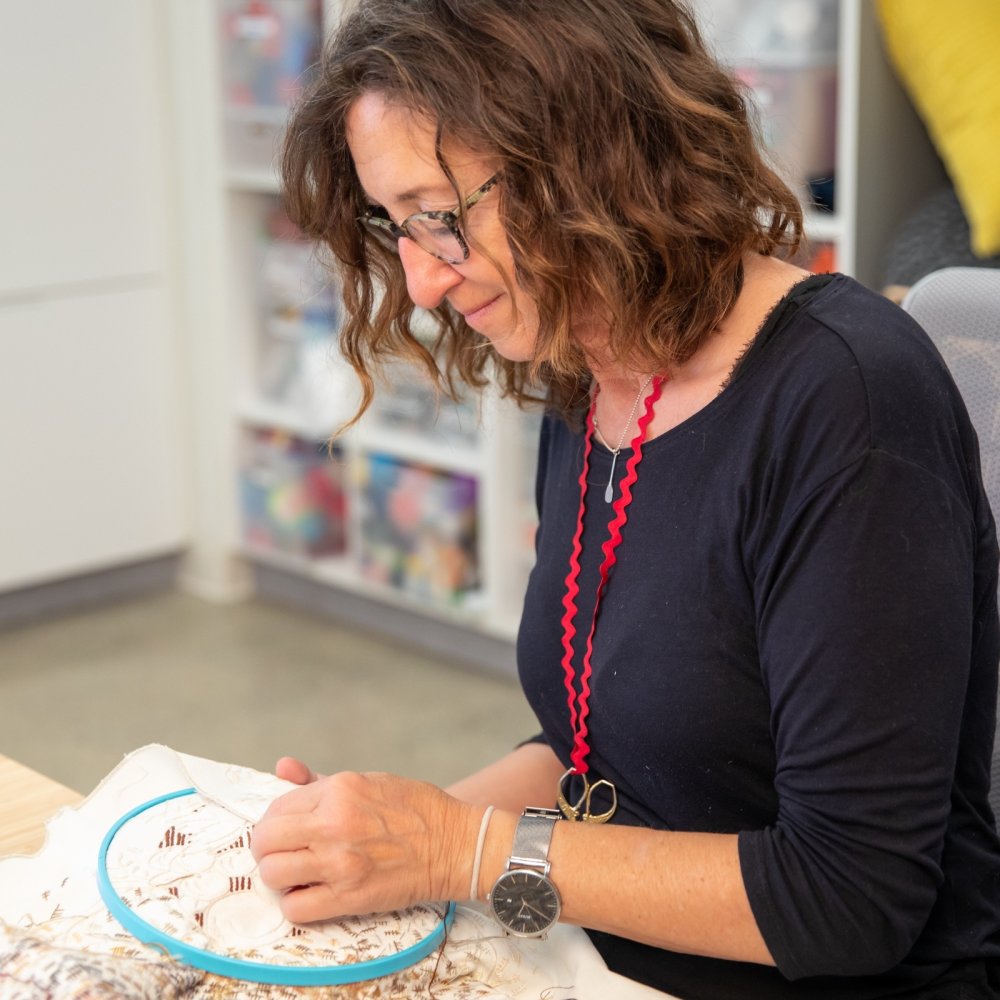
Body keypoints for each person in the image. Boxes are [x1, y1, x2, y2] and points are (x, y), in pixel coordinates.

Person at [248, 1, 1000, 996]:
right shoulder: (590, 373)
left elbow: (845, 898)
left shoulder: (846, 403)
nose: (420, 283)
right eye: (398, 229)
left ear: (583, 153)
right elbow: (598, 751)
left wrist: (457, 849)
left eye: (439, 216)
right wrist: (383, 836)